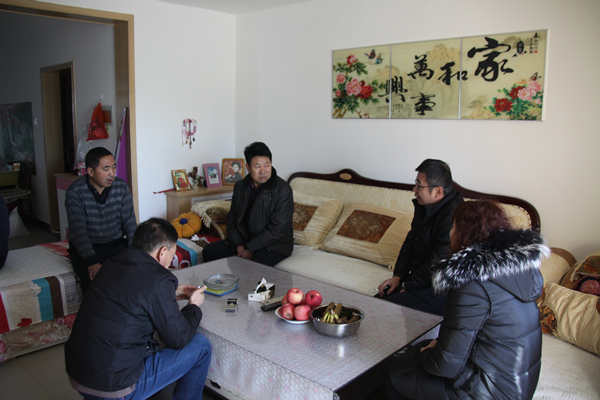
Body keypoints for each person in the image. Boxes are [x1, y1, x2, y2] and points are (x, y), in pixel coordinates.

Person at [379, 200, 548, 400]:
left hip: (489, 392)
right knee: (421, 348)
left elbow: (445, 365)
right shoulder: (519, 270)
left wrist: (425, 353)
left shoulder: (471, 283)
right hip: (518, 385)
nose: (450, 233)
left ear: (464, 233)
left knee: (394, 372)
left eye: (453, 227)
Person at [65, 218, 211, 400]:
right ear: (162, 252)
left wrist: (171, 293)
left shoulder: (111, 263)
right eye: (172, 255)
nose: (170, 261)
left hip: (78, 373)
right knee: (201, 346)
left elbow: (129, 295)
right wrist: (193, 307)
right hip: (114, 386)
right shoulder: (159, 278)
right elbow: (178, 338)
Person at [377, 159, 463, 315]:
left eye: (419, 185)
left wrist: (408, 286)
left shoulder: (454, 215)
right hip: (419, 280)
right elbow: (410, 242)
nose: (414, 189)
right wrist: (398, 276)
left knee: (382, 311)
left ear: (438, 191)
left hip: (439, 288)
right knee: (374, 303)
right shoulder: (426, 206)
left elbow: (438, 262)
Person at [202, 141, 294, 267]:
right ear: (248, 167)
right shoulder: (240, 187)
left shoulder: (283, 190)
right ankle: (223, 280)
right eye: (257, 166)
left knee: (253, 266)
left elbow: (278, 229)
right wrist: (239, 245)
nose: (263, 171)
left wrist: (250, 249)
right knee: (209, 252)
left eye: (266, 165)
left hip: (275, 244)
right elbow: (232, 219)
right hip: (245, 240)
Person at [65, 146, 137, 293]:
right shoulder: (75, 192)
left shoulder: (121, 187)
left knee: (133, 276)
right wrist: (92, 261)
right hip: (90, 247)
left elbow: (130, 223)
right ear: (90, 172)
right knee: (96, 285)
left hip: (116, 244)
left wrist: (136, 252)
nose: (112, 173)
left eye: (114, 167)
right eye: (106, 169)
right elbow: (78, 232)